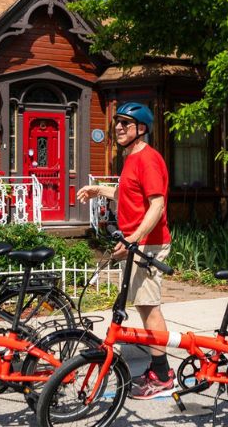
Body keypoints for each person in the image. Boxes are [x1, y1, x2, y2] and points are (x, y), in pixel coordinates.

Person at [76, 102, 175, 399]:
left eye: (125, 123)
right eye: (116, 123)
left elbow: (157, 204)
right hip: (137, 242)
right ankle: (158, 368)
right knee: (142, 306)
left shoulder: (148, 159)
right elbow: (129, 192)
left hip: (149, 243)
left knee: (148, 306)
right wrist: (100, 190)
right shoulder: (131, 158)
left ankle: (162, 375)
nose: (118, 127)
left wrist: (134, 239)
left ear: (141, 129)